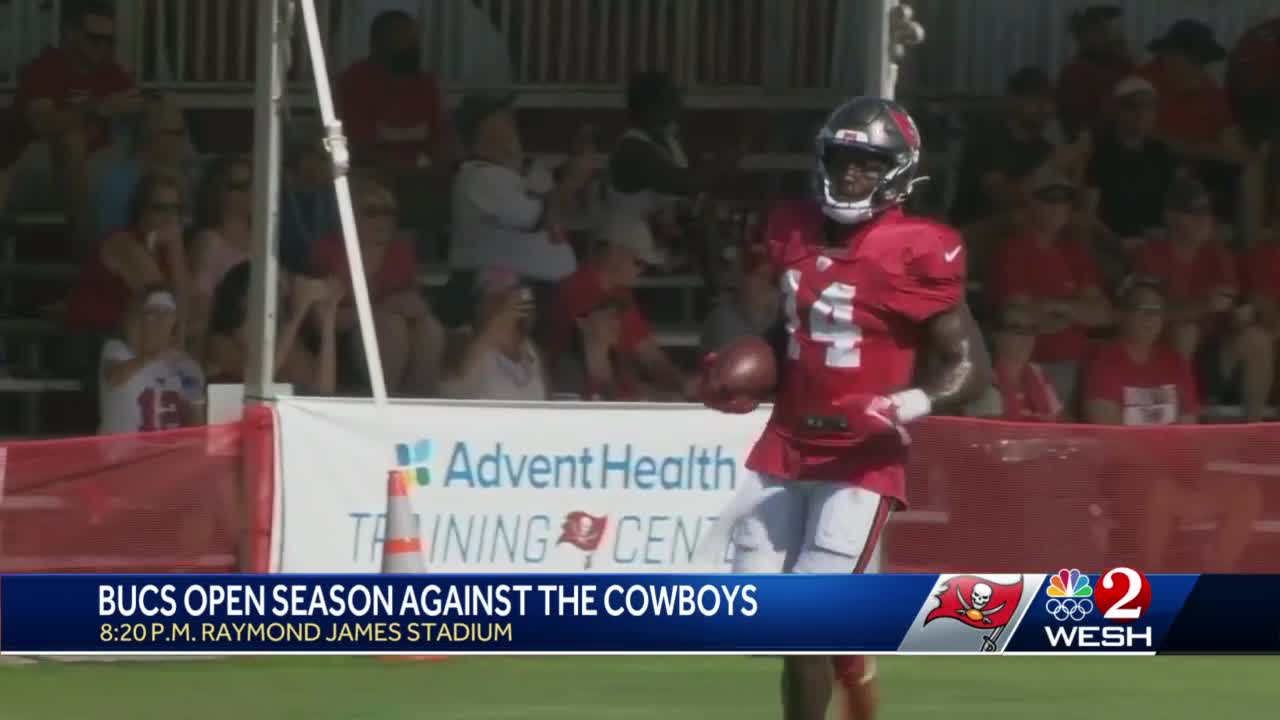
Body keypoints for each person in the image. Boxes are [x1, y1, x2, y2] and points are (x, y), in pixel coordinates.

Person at [699, 98, 990, 720]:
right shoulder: (790, 228)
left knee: (804, 622)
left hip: (861, 459)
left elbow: (970, 368)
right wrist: (742, 375)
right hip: (785, 445)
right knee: (770, 621)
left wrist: (905, 404)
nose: (851, 175)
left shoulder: (918, 248)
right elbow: (789, 341)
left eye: (867, 163)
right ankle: (852, 658)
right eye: (843, 160)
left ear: (898, 171)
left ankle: (836, 665)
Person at [1082, 276, 1259, 571]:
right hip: (1124, 479)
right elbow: (1110, 440)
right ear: (1124, 315)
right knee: (1160, 492)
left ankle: (1217, 578)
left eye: (1157, 311)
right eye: (1143, 310)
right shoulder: (1105, 362)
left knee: (1246, 494)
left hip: (1176, 475)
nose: (1152, 319)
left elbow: (1189, 432)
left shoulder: (1175, 362)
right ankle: (1154, 585)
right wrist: (1167, 472)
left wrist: (1186, 480)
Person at [443, 91, 603, 334]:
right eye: (504, 117)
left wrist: (574, 165)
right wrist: (572, 179)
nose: (513, 120)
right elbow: (538, 217)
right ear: (486, 130)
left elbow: (562, 205)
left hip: (550, 292)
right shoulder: (477, 177)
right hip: (510, 293)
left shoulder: (513, 173)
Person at [1133, 175, 1273, 421]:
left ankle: (1255, 430)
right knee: (1185, 331)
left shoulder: (1218, 256)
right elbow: (1146, 314)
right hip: (1159, 356)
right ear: (1170, 217)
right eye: (1193, 213)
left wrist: (1239, 316)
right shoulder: (1149, 253)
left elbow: (1229, 317)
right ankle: (1188, 424)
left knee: (1257, 338)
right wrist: (1203, 305)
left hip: (1208, 356)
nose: (1203, 221)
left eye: (1206, 212)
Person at [9, 1, 142, 245]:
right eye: (94, 38)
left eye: (109, 40)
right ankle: (85, 253)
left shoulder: (107, 68)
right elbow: (43, 123)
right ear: (69, 32)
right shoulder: (45, 68)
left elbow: (135, 102)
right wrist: (98, 108)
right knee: (71, 139)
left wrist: (141, 108)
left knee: (165, 121)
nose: (102, 46)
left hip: (92, 165)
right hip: (39, 168)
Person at [311, 174, 444, 396]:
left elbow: (417, 301)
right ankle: (383, 402)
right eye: (372, 212)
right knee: (390, 325)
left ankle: (420, 401)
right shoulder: (329, 250)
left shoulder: (399, 251)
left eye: (388, 212)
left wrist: (414, 306)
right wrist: (376, 311)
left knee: (429, 328)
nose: (382, 219)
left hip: (395, 337)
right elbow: (321, 319)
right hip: (339, 342)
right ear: (350, 215)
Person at [988, 169, 1111, 408]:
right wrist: (1077, 312)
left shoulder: (1076, 252)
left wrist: (1058, 306)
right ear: (1030, 203)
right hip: (1036, 364)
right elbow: (1024, 318)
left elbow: (1103, 314)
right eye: (1049, 199)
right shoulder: (1011, 252)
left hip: (1083, 363)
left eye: (1064, 201)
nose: (1058, 208)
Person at [551, 218, 694, 401]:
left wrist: (682, 387)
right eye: (639, 262)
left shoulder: (620, 292)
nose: (642, 270)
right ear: (615, 252)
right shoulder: (578, 291)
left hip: (617, 394)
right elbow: (599, 373)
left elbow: (651, 356)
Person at [335, 9, 451, 228]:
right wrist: (411, 169)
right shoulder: (355, 82)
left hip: (422, 175)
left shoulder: (426, 83)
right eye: (402, 42)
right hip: (373, 174)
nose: (411, 48)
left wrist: (437, 167)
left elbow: (441, 137)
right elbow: (361, 147)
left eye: (414, 41)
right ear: (377, 46)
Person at [204, 262, 341, 395]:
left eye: (281, 288)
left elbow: (322, 392)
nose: (281, 296)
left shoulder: (285, 338)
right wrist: (297, 313)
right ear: (244, 298)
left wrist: (329, 316)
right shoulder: (220, 341)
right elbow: (260, 379)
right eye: (275, 287)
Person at [99, 287, 204, 435]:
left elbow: (195, 421)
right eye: (152, 313)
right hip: (121, 456)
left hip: (165, 455)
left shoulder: (186, 366)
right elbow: (114, 377)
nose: (160, 320)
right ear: (136, 320)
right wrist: (153, 355)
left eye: (167, 313)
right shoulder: (117, 350)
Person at [439, 270, 548, 401]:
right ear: (478, 303)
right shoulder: (460, 339)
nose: (507, 299)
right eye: (494, 292)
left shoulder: (530, 349)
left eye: (514, 289)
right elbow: (456, 373)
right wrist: (500, 320)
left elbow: (550, 405)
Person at [93, 94, 189, 240]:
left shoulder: (177, 177)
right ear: (149, 135)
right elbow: (113, 244)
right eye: (177, 133)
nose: (184, 142)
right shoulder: (117, 185)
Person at [188, 155, 254, 347]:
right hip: (231, 341)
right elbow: (200, 315)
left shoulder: (267, 237)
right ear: (218, 192)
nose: (250, 192)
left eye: (253, 184)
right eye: (240, 186)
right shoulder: (209, 242)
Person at [973, 303, 1062, 421]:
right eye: (1017, 329)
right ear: (995, 335)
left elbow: (1057, 418)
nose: (1027, 337)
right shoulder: (982, 379)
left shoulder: (1037, 371)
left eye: (1031, 329)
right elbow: (990, 432)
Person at [1057, 5, 1134, 134]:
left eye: (1108, 24)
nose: (1108, 31)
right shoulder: (1075, 71)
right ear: (1083, 34)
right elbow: (1077, 120)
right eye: (1099, 26)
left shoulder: (1121, 63)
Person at [700, 241, 781, 356]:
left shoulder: (784, 321)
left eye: (772, 280)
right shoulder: (724, 321)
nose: (764, 285)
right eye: (760, 277)